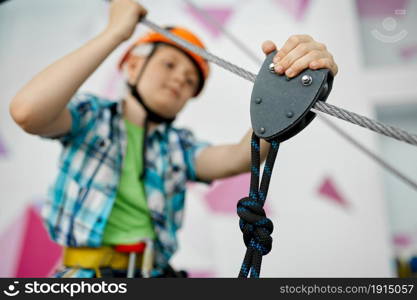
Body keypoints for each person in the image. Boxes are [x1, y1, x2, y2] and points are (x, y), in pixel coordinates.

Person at [9, 0, 338, 278]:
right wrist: (116, 33)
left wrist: (293, 98)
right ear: (134, 65)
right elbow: (27, 111)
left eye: (190, 80)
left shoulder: (177, 147)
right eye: (169, 65)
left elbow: (240, 156)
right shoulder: (92, 118)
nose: (180, 80)